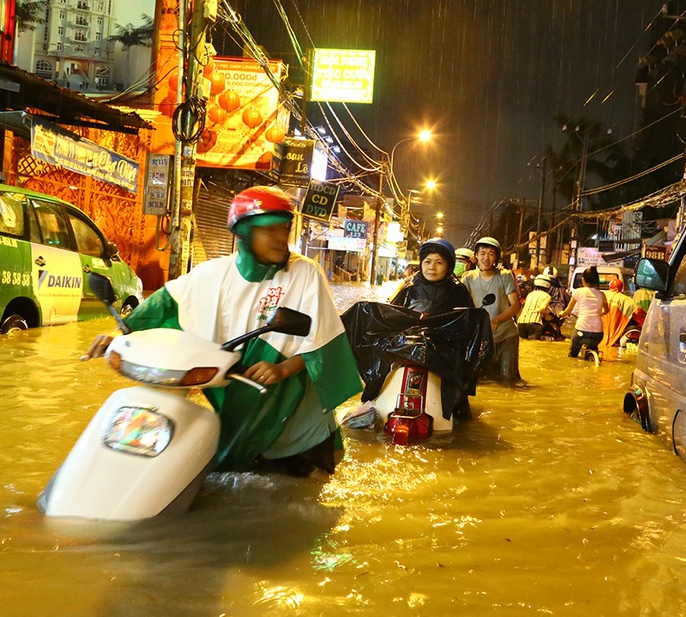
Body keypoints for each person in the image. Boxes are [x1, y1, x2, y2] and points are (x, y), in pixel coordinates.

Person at [84, 186, 363, 477]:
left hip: (295, 426)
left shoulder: (305, 273)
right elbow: (160, 309)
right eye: (270, 231)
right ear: (244, 233)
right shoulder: (210, 275)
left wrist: (282, 370)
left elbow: (323, 341)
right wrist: (119, 340)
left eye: (285, 229)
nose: (282, 239)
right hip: (238, 409)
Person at [461, 236, 523, 383]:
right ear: (476, 256)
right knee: (482, 381)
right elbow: (461, 305)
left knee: (508, 379)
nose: (486, 258)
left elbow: (515, 305)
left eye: (490, 253)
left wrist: (497, 319)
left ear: (496, 257)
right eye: (482, 253)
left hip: (506, 335)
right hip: (481, 338)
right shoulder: (468, 278)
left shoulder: (504, 275)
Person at [390, 238, 474, 315]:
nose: (432, 267)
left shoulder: (458, 292)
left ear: (449, 267)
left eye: (439, 263)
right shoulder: (409, 289)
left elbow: (468, 323)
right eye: (427, 262)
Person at [560, 265, 608, 359]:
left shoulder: (578, 292)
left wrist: (562, 313)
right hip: (598, 333)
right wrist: (600, 313)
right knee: (594, 347)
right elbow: (606, 310)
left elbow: (568, 310)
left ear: (583, 280)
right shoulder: (602, 295)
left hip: (581, 331)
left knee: (572, 355)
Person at [602, 277, 637, 349]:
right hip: (617, 335)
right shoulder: (627, 300)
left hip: (600, 335)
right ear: (621, 287)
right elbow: (637, 312)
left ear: (610, 286)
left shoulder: (602, 295)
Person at [516, 275, 552, 340]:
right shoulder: (547, 296)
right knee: (534, 344)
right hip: (534, 322)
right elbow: (542, 309)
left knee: (524, 343)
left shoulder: (530, 294)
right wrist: (547, 315)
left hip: (521, 322)